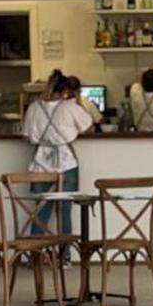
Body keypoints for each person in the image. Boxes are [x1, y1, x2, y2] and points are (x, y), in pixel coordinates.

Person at [23, 69, 93, 244]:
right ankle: (65, 255)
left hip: (40, 164)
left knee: (40, 211)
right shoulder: (70, 107)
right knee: (64, 211)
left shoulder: (33, 108)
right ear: (65, 91)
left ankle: (35, 254)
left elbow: (27, 136)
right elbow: (89, 127)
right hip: (66, 163)